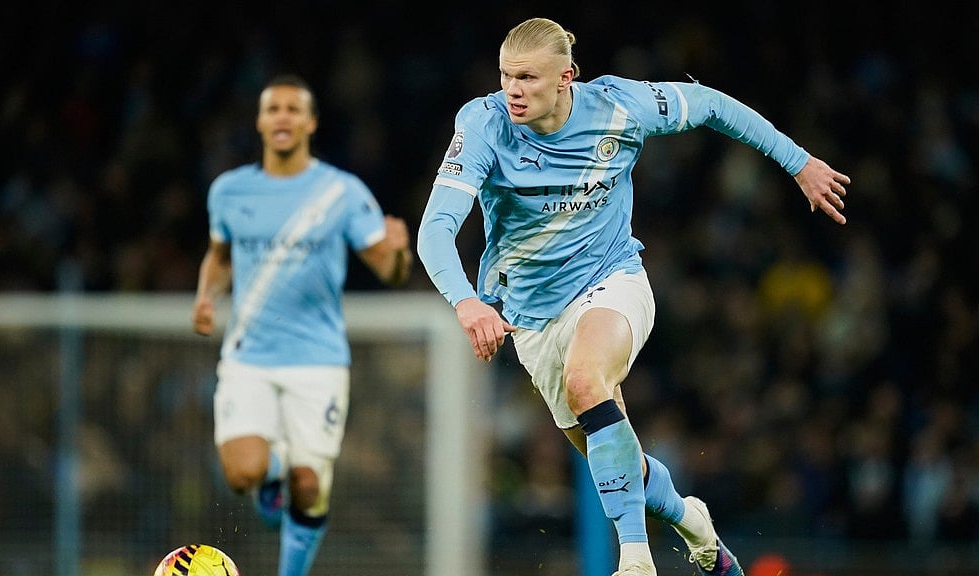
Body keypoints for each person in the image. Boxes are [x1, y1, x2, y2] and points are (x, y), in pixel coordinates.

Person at [416, 17, 849, 576]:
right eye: (505, 76)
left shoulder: (621, 107)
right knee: (615, 461)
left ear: (567, 76)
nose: (513, 90)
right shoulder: (483, 125)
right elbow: (435, 229)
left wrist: (800, 162)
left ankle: (636, 561)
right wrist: (466, 301)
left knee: (585, 381)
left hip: (611, 279)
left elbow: (712, 104)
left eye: (527, 77)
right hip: (530, 317)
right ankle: (691, 519)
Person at [192, 73, 413, 576]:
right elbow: (220, 256)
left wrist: (399, 253)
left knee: (309, 487)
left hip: (318, 360)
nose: (283, 117)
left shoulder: (341, 191)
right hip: (249, 354)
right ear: (260, 121)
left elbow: (389, 270)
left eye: (294, 109)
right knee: (241, 472)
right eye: (274, 109)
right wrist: (207, 295)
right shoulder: (229, 191)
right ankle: (276, 470)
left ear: (311, 122)